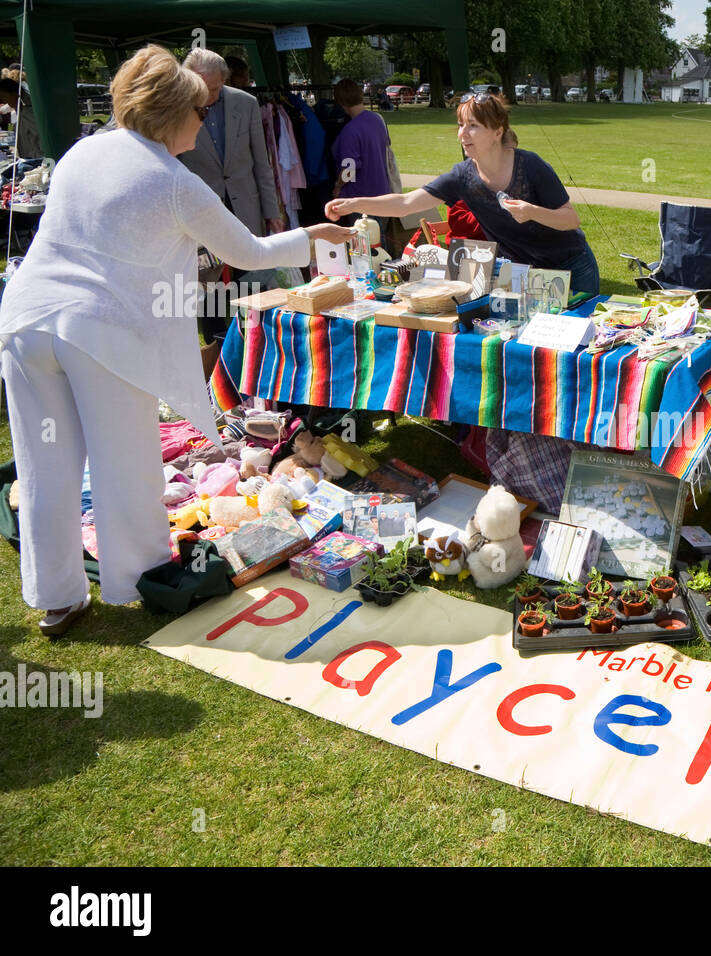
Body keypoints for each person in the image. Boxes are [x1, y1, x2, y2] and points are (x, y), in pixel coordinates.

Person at [0, 45, 352, 637]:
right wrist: (313, 237)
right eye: (200, 111)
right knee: (127, 464)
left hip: (25, 322)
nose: (204, 121)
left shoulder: (83, 153)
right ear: (174, 114)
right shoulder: (173, 181)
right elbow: (250, 253)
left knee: (44, 466)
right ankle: (140, 581)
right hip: (98, 332)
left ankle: (55, 597)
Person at [324, 92, 600, 294]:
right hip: (525, 274)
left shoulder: (531, 165)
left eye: (472, 126)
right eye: (460, 125)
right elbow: (406, 203)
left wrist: (531, 212)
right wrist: (352, 202)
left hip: (573, 266)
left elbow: (570, 220)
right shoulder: (462, 176)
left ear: (497, 131)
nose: (462, 134)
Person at [177, 48, 282, 238]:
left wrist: (272, 211)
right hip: (201, 213)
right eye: (203, 88)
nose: (210, 96)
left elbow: (261, 163)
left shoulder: (247, 104)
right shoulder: (177, 108)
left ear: (225, 79)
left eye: (216, 88)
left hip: (246, 210)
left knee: (251, 267)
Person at [329, 79, 392, 236]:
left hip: (361, 198)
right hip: (382, 192)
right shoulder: (377, 120)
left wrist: (337, 186)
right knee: (379, 241)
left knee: (367, 247)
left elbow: (349, 169)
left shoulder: (350, 131)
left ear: (341, 102)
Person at [0, 76, 40, 157]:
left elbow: (38, 138)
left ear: (14, 93)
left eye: (3, 97)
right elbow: (12, 127)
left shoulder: (28, 110)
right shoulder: (15, 109)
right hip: (28, 156)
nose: (3, 101)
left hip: (37, 158)